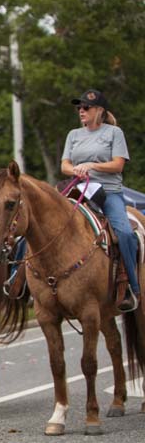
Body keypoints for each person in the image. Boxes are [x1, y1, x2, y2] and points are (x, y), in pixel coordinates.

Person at [61, 89, 139, 312]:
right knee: (42, 219)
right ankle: (20, 280)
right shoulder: (73, 135)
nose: (81, 111)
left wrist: (92, 165)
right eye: (79, 108)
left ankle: (131, 286)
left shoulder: (114, 133)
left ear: (100, 111)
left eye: (86, 108)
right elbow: (64, 165)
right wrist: (75, 169)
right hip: (78, 190)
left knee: (124, 232)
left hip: (108, 192)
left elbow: (118, 165)